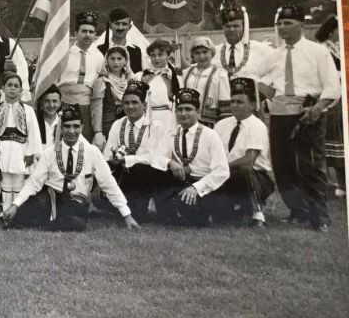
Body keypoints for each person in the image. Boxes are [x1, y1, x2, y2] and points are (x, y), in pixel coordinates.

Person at [259, 4, 340, 231]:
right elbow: (257, 76)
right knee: (283, 165)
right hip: (280, 113)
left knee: (311, 165)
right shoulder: (274, 56)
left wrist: (317, 108)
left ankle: (319, 216)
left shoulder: (318, 52)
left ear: (301, 24)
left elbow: (332, 86)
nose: (283, 28)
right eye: (280, 24)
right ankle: (297, 211)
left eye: (289, 23)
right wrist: (265, 91)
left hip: (309, 111)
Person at [2, 104, 139, 232]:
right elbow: (34, 182)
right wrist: (15, 204)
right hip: (52, 197)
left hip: (76, 201)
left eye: (76, 126)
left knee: (77, 224)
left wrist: (127, 214)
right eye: (67, 126)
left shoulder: (92, 151)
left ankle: (43, 223)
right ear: (60, 128)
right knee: (25, 212)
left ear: (82, 126)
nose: (71, 131)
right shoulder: (50, 152)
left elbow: (108, 183)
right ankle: (42, 220)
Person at [104, 80, 172, 223]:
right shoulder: (118, 124)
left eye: (135, 102)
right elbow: (108, 154)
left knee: (140, 169)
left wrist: (128, 160)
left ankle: (142, 207)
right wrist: (114, 160)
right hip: (122, 173)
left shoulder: (155, 126)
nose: (130, 106)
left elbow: (153, 158)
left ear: (145, 105)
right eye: (126, 103)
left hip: (144, 177)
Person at [159, 88, 230, 226]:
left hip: (205, 185)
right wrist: (170, 162)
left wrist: (196, 187)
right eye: (179, 109)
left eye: (188, 109)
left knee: (189, 207)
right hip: (182, 182)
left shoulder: (210, 135)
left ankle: (200, 213)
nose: (183, 114)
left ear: (197, 111)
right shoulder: (171, 133)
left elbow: (222, 171)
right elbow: (156, 156)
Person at [212, 77, 275, 227]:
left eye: (240, 102)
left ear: (253, 105)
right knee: (219, 216)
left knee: (244, 170)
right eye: (232, 101)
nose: (234, 105)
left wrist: (223, 167)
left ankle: (257, 214)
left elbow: (249, 159)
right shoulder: (221, 124)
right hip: (226, 175)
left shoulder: (257, 125)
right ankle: (237, 207)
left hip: (256, 178)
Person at [0, 72, 41, 219]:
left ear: (21, 90)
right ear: (3, 89)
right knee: (5, 181)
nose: (12, 89)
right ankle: (5, 210)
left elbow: (34, 133)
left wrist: (31, 153)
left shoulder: (28, 111)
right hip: (3, 149)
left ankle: (17, 211)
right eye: (9, 85)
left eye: (16, 86)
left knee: (18, 181)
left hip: (21, 150)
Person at [56, 11, 105, 141]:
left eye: (91, 32)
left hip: (86, 108)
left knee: (83, 145)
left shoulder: (99, 57)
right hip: (62, 105)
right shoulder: (63, 54)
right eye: (84, 31)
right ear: (75, 33)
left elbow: (98, 91)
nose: (88, 35)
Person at [315, 15, 345, 197]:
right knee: (329, 141)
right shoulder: (323, 49)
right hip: (332, 100)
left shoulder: (338, 48)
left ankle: (341, 182)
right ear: (331, 30)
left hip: (341, 97)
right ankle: (328, 182)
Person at [212, 5, 273, 82]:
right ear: (222, 28)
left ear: (243, 27)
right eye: (228, 26)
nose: (231, 29)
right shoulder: (214, 52)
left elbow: (276, 69)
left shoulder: (260, 49)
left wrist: (261, 85)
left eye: (236, 26)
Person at [134, 39, 182, 135]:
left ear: (168, 56)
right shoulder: (140, 76)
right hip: (146, 116)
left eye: (160, 55)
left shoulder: (175, 78)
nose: (156, 58)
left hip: (167, 117)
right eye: (153, 55)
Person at [181, 36, 231, 128]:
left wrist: (224, 126)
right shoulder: (186, 72)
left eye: (205, 52)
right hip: (188, 120)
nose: (201, 56)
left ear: (211, 53)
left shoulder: (220, 74)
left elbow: (225, 104)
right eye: (197, 53)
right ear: (193, 55)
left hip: (210, 122)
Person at [91, 45, 131, 151]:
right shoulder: (102, 81)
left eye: (119, 59)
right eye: (112, 58)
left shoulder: (130, 80)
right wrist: (98, 132)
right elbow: (97, 108)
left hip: (128, 124)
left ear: (125, 61)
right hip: (108, 125)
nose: (116, 62)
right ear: (107, 60)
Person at [95, 7, 149, 73]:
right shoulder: (99, 50)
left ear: (130, 27)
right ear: (110, 26)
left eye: (124, 24)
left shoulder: (137, 51)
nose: (120, 27)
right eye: (117, 24)